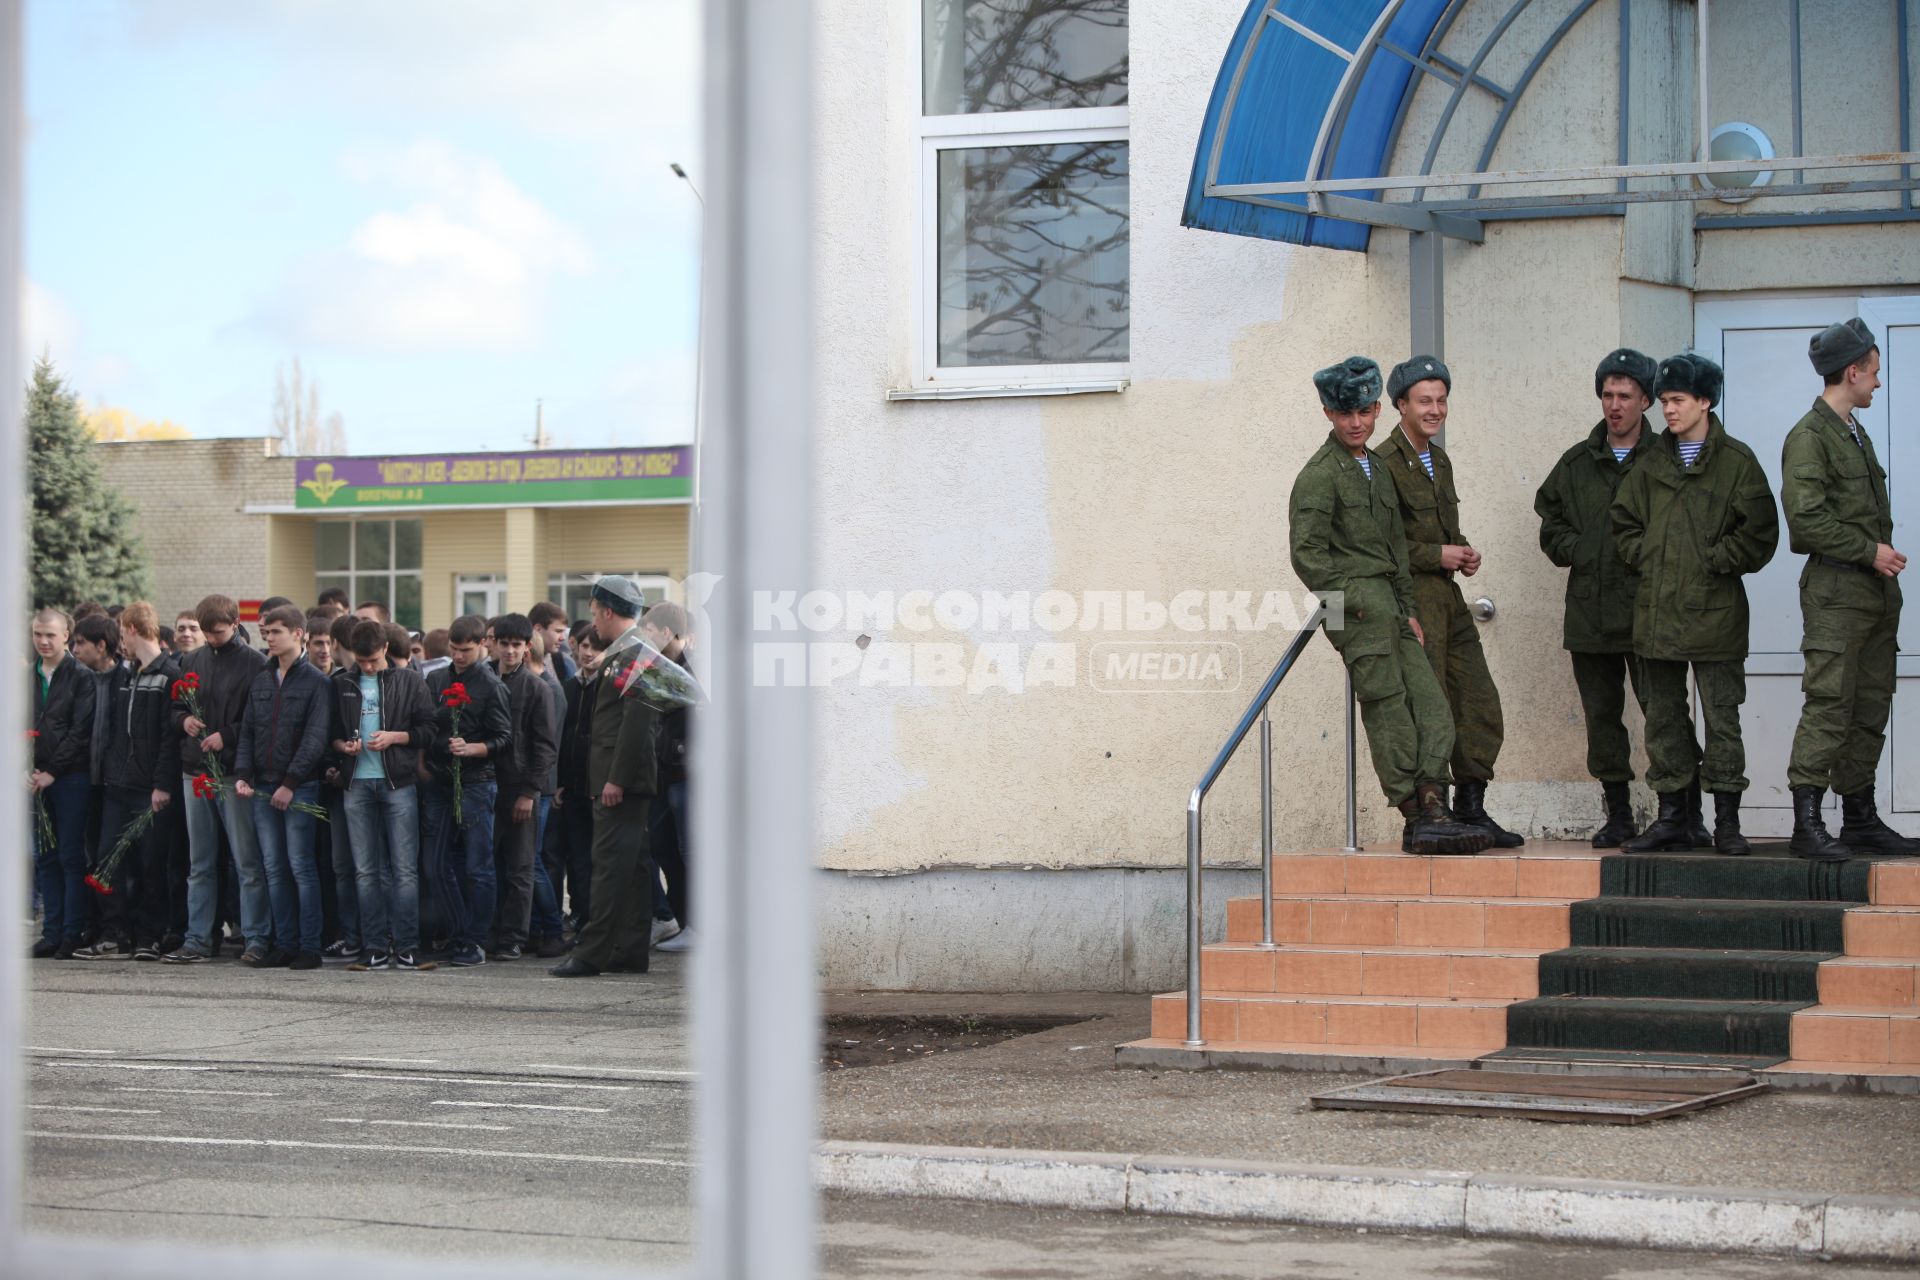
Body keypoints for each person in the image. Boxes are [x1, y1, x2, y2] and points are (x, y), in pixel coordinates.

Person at [1288, 357, 1490, 856]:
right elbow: (1307, 556)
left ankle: (1433, 808)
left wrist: (1407, 608)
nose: (1355, 422)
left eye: (1363, 411)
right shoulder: (1318, 475)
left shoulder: (1376, 468)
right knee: (1389, 713)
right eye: (1343, 413)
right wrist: (1358, 603)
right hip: (1354, 609)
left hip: (1393, 608)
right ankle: (1416, 815)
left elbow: (1396, 548)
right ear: (1327, 413)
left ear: (1378, 408)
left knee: (1432, 707)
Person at [1612, 353, 1779, 856]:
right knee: (1663, 719)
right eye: (1664, 401)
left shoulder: (1737, 462)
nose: (1668, 410)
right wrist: (1649, 555)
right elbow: (1623, 524)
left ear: (1705, 401)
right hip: (1657, 615)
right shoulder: (1651, 462)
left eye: (1677, 400)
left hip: (1716, 617)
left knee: (1722, 719)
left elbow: (1760, 534)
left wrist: (1713, 559)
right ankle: (1673, 817)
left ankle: (1726, 821)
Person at [1781, 319, 1914, 861]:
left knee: (1869, 704)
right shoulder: (1809, 437)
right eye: (1875, 373)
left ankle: (1859, 817)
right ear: (1853, 371)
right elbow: (1805, 522)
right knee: (1830, 704)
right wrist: (1869, 551)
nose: (1878, 383)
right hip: (1837, 593)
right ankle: (1806, 824)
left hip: (1874, 597)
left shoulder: (1852, 431)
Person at [1379, 356, 1521, 847]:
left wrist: (1461, 554)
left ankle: (1472, 806)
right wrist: (1433, 555)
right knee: (1429, 704)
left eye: (1441, 400)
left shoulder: (1439, 460)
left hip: (1449, 598)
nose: (1435, 409)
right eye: (1425, 401)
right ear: (1401, 405)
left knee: (1477, 697)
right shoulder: (1382, 465)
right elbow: (1383, 545)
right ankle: (1429, 812)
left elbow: (1441, 532)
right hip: (1412, 600)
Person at [1535, 349, 1668, 846]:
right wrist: (1582, 548)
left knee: (1663, 714)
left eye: (1625, 396)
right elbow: (1551, 528)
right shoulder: (1576, 463)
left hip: (1649, 610)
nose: (1614, 405)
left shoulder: (1666, 458)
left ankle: (1679, 811)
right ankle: (1618, 813)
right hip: (1591, 613)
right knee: (1602, 719)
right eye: (1608, 395)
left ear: (1646, 401)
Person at [551, 576, 664, 975]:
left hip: (621, 780)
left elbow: (637, 722)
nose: (593, 620)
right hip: (621, 777)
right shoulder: (628, 650)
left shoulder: (634, 651)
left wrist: (616, 779)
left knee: (609, 865)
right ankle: (630, 950)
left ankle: (591, 953)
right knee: (631, 868)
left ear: (609, 611)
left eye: (596, 612)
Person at [73, 603, 182, 961]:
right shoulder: (127, 675)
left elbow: (170, 737)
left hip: (151, 788)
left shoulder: (169, 674)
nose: (120, 643)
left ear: (134, 630)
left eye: (122, 635)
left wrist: (162, 784)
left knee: (152, 864)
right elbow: (117, 730)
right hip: (118, 786)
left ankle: (150, 934)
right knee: (107, 860)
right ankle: (115, 933)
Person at [165, 595, 270, 965]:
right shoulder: (191, 660)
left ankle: (256, 937)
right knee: (201, 862)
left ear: (235, 623)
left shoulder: (256, 663)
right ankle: (197, 939)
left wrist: (227, 734)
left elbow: (261, 719)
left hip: (231, 772)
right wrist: (185, 722)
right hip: (195, 769)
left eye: (218, 632)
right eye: (206, 633)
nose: (211, 638)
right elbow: (176, 707)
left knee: (246, 861)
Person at [331, 618, 438, 970]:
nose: (366, 667)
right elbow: (329, 734)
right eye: (360, 661)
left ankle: (407, 946)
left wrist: (394, 737)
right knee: (366, 870)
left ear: (386, 650)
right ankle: (374, 946)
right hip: (357, 782)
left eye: (372, 661)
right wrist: (343, 746)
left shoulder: (409, 680)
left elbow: (428, 729)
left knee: (404, 869)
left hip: (398, 783)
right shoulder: (342, 682)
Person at [234, 605, 333, 969]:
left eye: (276, 632)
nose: (269, 638)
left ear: (297, 634)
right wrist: (243, 773)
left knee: (300, 866)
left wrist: (291, 782)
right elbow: (248, 730)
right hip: (262, 784)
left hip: (299, 787)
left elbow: (315, 738)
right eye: (266, 632)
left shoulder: (317, 683)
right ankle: (285, 942)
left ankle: (309, 945)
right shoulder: (262, 679)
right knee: (273, 867)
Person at [420, 615, 514, 967]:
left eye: (466, 650)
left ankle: (474, 940)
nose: (459, 657)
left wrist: (475, 748)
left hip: (476, 781)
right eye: (455, 650)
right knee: (435, 864)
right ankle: (459, 932)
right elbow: (427, 723)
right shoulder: (436, 678)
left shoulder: (491, 686)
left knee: (479, 867)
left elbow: (505, 738)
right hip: (440, 779)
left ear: (482, 646)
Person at [484, 614, 558, 960]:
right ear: (494, 643)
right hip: (485, 785)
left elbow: (545, 747)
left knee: (520, 867)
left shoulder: (537, 688)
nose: (510, 650)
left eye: (517, 644)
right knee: (487, 864)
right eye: (505, 643)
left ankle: (514, 936)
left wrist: (530, 792)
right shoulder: (483, 679)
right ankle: (490, 929)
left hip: (519, 789)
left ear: (528, 647)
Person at [31, 607, 96, 959]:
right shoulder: (27, 676)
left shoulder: (80, 676)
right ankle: (51, 932)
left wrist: (53, 770)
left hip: (70, 777)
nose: (43, 641)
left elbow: (79, 731)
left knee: (71, 855)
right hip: (35, 778)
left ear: (66, 636)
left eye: (50, 635)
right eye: (38, 634)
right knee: (45, 857)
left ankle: (72, 932)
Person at [642, 601, 694, 952]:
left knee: (692, 853)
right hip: (664, 774)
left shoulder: (694, 670)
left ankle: (701, 928)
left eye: (648, 632)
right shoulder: (661, 668)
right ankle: (680, 920)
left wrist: (680, 750)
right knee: (666, 851)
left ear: (665, 632)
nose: (644, 639)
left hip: (687, 775)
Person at [306, 612, 357, 957]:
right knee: (333, 864)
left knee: (363, 866)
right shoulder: (327, 683)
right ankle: (341, 932)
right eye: (318, 643)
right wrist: (330, 764)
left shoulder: (347, 680)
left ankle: (363, 933)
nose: (325, 650)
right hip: (328, 786)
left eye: (329, 643)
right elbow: (323, 736)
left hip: (365, 783)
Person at [522, 631, 569, 957]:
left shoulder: (547, 689)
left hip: (541, 786)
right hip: (541, 783)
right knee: (530, 859)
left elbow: (548, 744)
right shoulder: (544, 685)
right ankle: (539, 928)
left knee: (533, 860)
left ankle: (552, 927)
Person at [554, 621, 603, 934]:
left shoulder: (609, 686)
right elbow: (562, 737)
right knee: (578, 857)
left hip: (598, 787)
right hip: (572, 786)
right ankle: (583, 915)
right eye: (584, 646)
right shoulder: (570, 686)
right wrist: (560, 781)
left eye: (596, 648)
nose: (589, 653)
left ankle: (599, 920)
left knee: (600, 858)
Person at [530, 601, 577, 683]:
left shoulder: (564, 663)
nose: (562, 638)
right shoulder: (514, 662)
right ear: (537, 629)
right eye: (558, 631)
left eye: (563, 632)